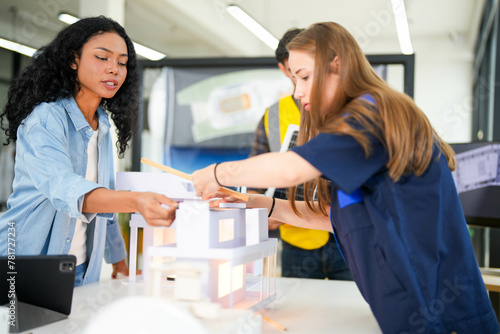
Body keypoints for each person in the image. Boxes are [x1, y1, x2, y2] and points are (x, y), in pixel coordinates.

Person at [192, 22, 499, 333]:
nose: (297, 93)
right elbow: (336, 217)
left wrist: (218, 173)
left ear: (335, 65)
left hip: (447, 318)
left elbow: (292, 168)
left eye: (305, 77)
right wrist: (263, 204)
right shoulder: (363, 126)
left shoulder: (374, 114)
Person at [0, 16, 177, 286]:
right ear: (73, 60)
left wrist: (119, 262)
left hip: (79, 269)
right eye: (102, 58)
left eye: (122, 62)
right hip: (24, 263)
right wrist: (135, 200)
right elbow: (64, 188)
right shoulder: (47, 119)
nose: (114, 69)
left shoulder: (101, 125)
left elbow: (103, 206)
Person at [249, 28, 352, 280]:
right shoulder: (273, 115)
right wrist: (260, 215)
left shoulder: (349, 109)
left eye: (305, 72)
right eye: (294, 72)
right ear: (284, 69)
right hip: (297, 240)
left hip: (347, 236)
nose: (299, 84)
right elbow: (255, 177)